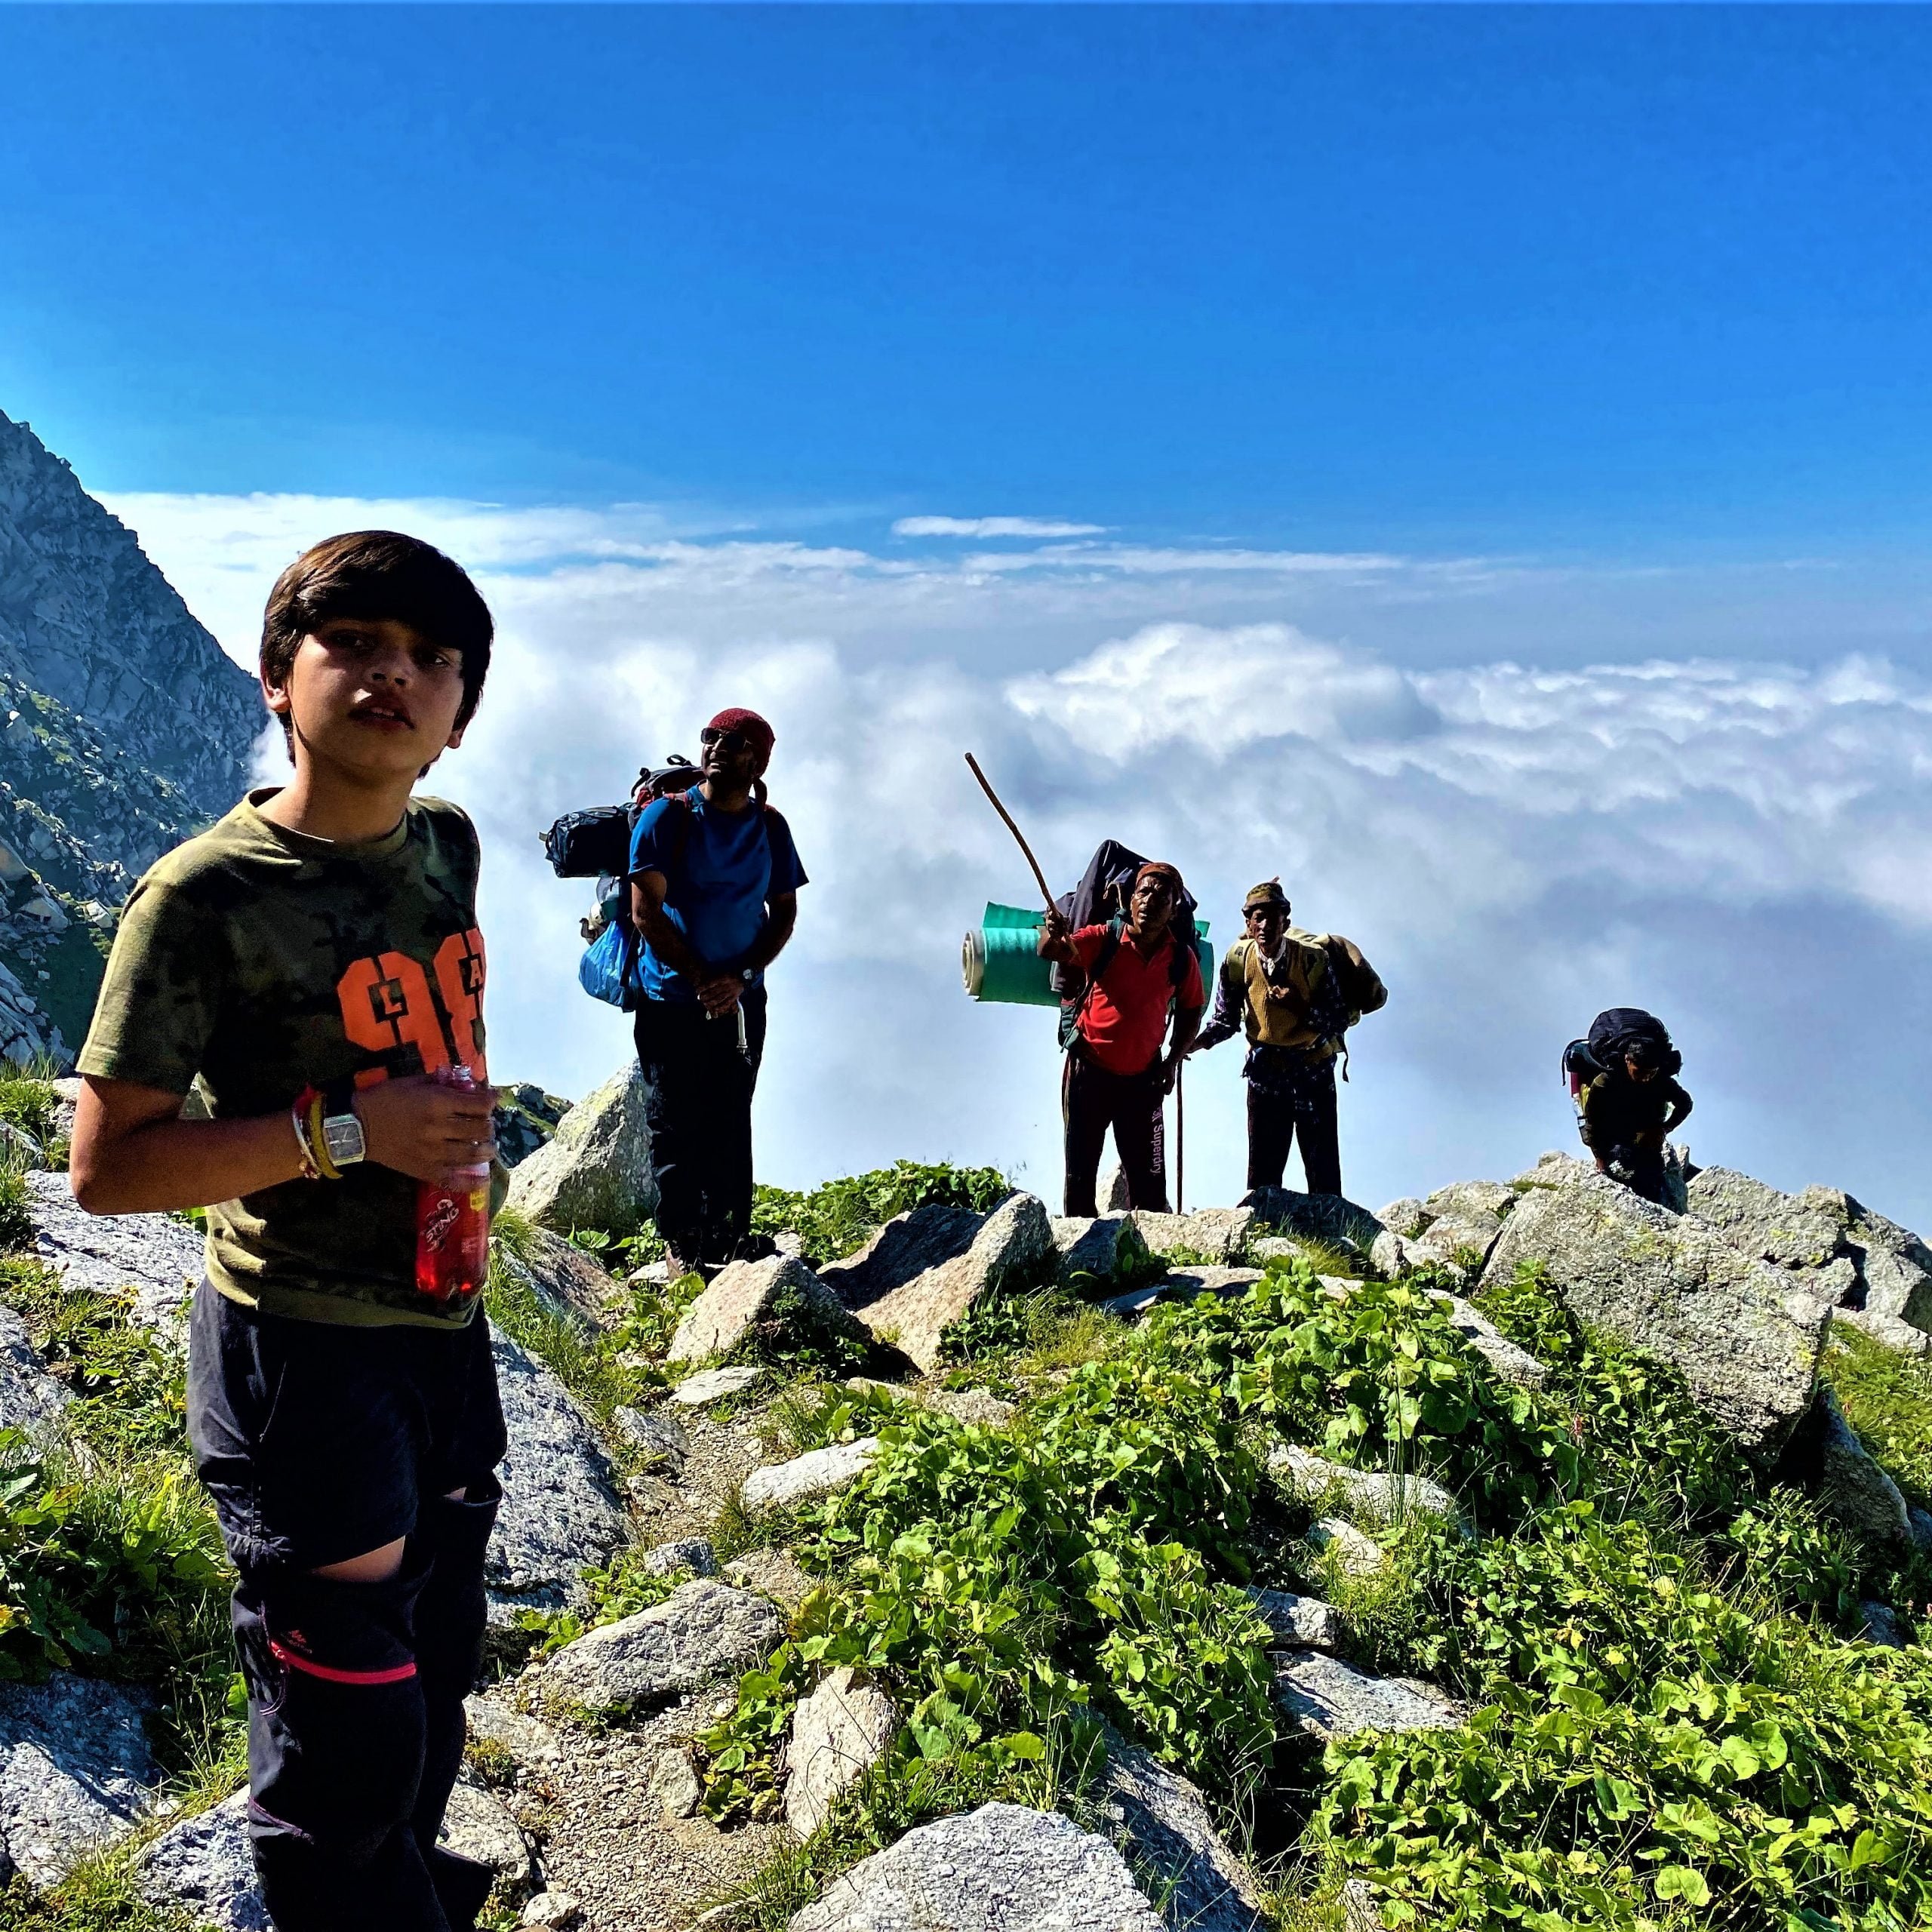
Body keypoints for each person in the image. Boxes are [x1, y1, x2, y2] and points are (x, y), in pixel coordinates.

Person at [68, 531, 506, 1932]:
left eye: (432, 659)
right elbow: (107, 1170)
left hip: (448, 1316)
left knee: (436, 1657)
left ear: (461, 713)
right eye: (356, 645)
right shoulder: (205, 898)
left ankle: (407, 1895)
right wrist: (353, 1133)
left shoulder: (447, 846)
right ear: (278, 678)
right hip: (303, 1347)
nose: (396, 675)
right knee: (346, 1707)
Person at [628, 707, 806, 1275]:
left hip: (742, 1002)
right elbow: (645, 912)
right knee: (674, 1116)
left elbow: (783, 912)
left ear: (759, 761)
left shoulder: (771, 827)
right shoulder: (665, 818)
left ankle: (729, 1237)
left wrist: (742, 978)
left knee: (731, 1111)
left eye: (736, 742)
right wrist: (705, 978)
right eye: (711, 737)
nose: (718, 747)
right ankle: (682, 1240)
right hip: (672, 1001)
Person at [1187, 879, 1384, 1197]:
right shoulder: (1238, 960)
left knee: (1322, 1168)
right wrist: (1194, 1043)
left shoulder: (1312, 960)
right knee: (1263, 1171)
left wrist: (1298, 1005)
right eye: (1257, 918)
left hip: (1313, 1070)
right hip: (1265, 1073)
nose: (1264, 925)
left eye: (1272, 917)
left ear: (1285, 921)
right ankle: (1261, 1233)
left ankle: (1333, 1236)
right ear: (1248, 924)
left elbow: (1336, 1019)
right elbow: (1226, 1019)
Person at [1037, 860, 1204, 1216]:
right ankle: (1080, 1258)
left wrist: (1173, 1060)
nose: (1150, 900)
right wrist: (1052, 931)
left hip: (1143, 1081)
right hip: (1088, 1073)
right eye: (1144, 891)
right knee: (1080, 1175)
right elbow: (1055, 951)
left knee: (1150, 1187)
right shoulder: (1104, 938)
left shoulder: (1181, 959)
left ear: (1175, 908)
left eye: (1163, 895)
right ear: (1130, 901)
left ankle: (1150, 1262)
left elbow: (1192, 1011)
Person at [1577, 1032, 1693, 1204]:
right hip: (1613, 1133)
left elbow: (1685, 1103)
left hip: (1646, 1133)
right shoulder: (1605, 1081)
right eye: (1639, 1072)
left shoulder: (1662, 1081)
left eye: (1651, 1073)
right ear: (1628, 1060)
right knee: (1620, 1169)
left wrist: (1664, 1129)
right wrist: (1599, 1157)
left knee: (1652, 1180)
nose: (1645, 1078)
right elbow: (1592, 1122)